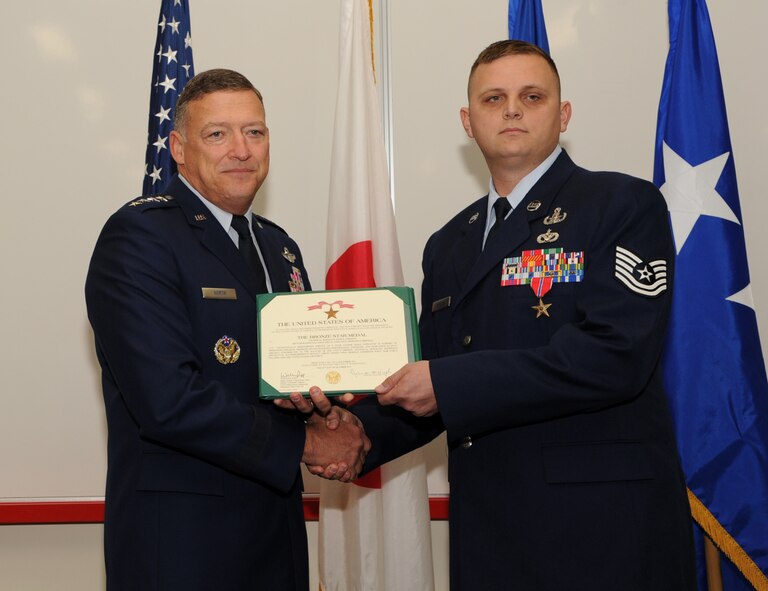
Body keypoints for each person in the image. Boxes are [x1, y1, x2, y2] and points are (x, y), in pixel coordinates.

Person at [297, 41, 697, 589]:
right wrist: (358, 432)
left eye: (531, 96)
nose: (512, 109)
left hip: (603, 531)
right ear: (468, 120)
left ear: (563, 114)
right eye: (494, 98)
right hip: (489, 531)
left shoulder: (623, 205)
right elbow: (429, 383)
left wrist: (444, 381)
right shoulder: (449, 243)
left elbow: (615, 355)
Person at [85, 68, 368, 590]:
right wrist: (307, 445)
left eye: (254, 132)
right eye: (217, 134)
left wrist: (330, 411)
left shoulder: (277, 245)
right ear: (179, 148)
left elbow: (289, 374)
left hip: (274, 535)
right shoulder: (139, 237)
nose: (241, 149)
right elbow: (168, 400)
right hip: (181, 546)